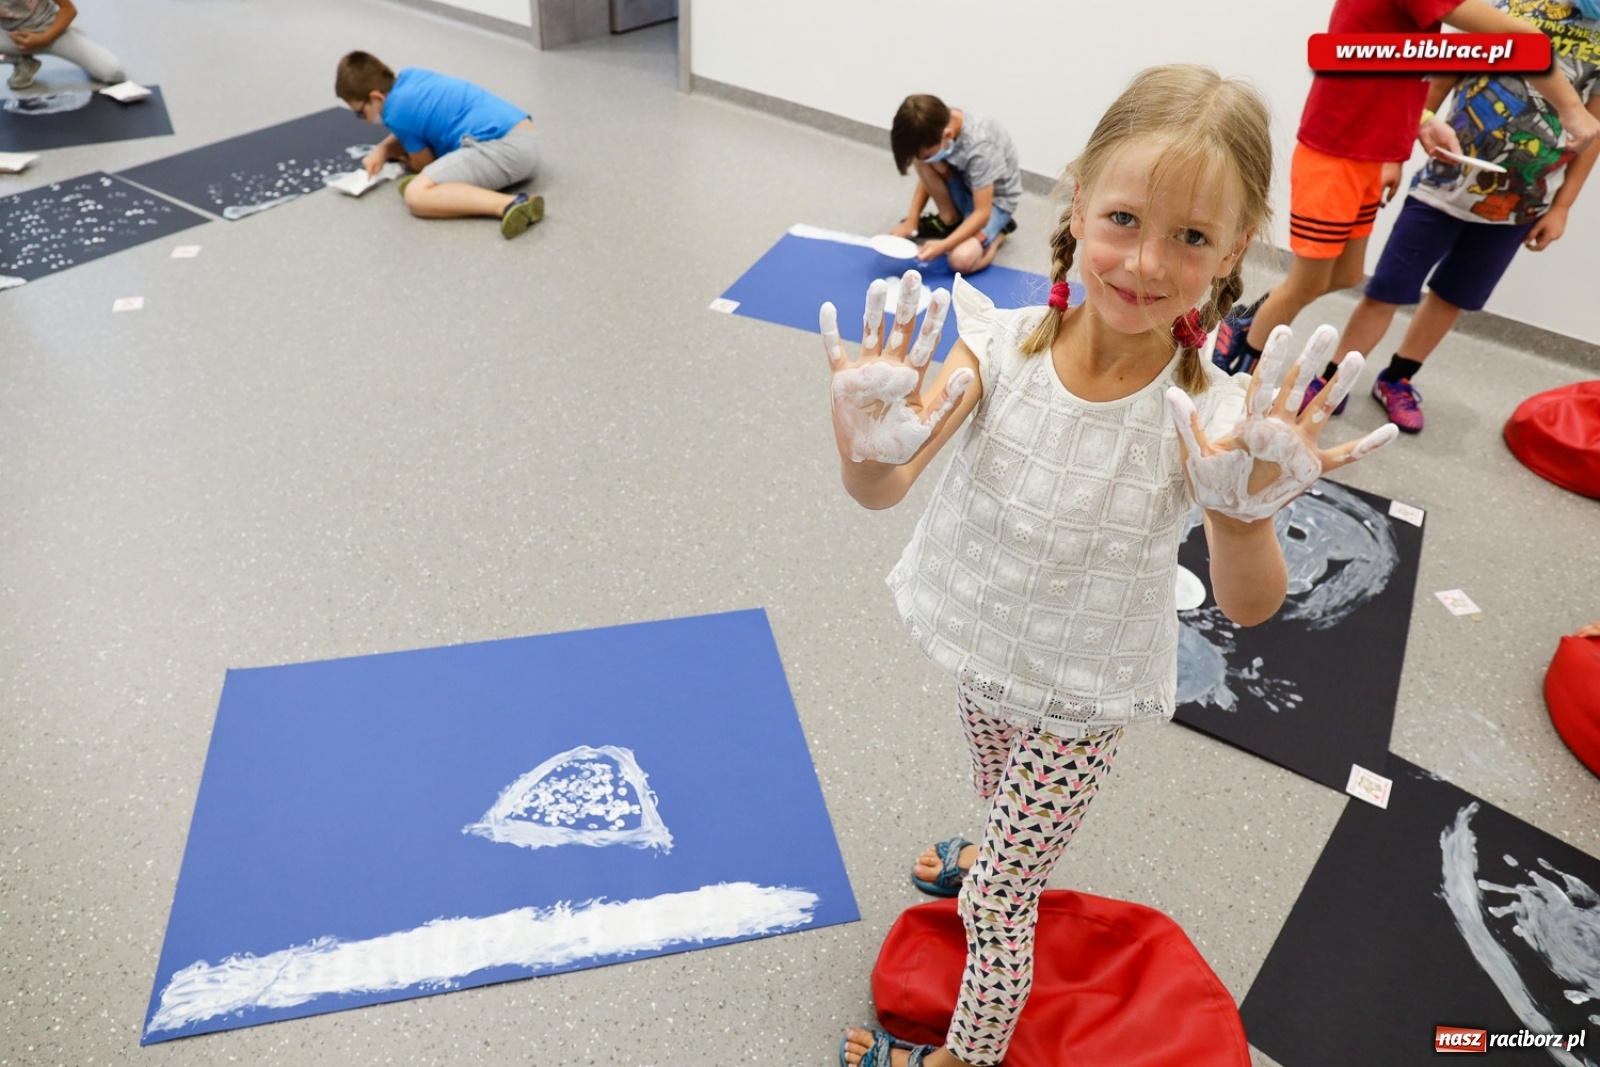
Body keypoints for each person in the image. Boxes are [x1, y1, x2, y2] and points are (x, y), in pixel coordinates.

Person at [825, 65, 1398, 1067]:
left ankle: (965, 1047)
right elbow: (882, 488)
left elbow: (1250, 605)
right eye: (1125, 218)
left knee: (999, 903)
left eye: (1188, 237)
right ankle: (1004, 842)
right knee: (993, 787)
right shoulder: (993, 347)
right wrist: (862, 441)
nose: (1143, 262)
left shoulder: (1210, 418)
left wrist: (1239, 515)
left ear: (1233, 247)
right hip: (985, 643)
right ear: (1079, 198)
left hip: (1078, 696)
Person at [1210, 0, 1600, 377]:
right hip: (1335, 156)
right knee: (1308, 280)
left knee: (1345, 276)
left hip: (1367, 154)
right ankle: (1245, 362)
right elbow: (1521, 40)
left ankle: (1247, 322)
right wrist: (1571, 111)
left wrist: (1420, 123)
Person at [1301, 1, 1600, 433]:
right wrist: (1395, 152)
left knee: (1455, 296)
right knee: (1388, 289)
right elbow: (1437, 84)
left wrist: (1563, 206)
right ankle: (1333, 378)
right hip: (1445, 186)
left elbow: (1592, 131)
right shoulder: (1503, 8)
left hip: (1521, 203)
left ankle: (1398, 378)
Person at [335, 51, 545, 240]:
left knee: (416, 195)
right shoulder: (410, 77)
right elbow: (415, 126)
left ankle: (510, 203)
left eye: (360, 112)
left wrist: (406, 159)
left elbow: (423, 164)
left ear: (376, 97)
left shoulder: (394, 114)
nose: (361, 119)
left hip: (506, 151)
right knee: (426, 178)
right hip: (522, 134)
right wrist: (383, 149)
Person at [887, 94, 1022, 275]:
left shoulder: (981, 146)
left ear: (948, 135)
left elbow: (982, 212)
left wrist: (943, 246)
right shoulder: (936, 121)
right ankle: (950, 220)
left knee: (960, 261)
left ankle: (998, 235)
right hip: (967, 185)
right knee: (922, 161)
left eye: (928, 155)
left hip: (994, 203)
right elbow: (924, 168)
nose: (925, 160)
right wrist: (912, 220)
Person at [0, 0, 124, 90]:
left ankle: (79, 46)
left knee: (114, 73)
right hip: (17, 40)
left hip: (56, 33)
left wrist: (43, 39)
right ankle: (21, 61)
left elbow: (69, 10)